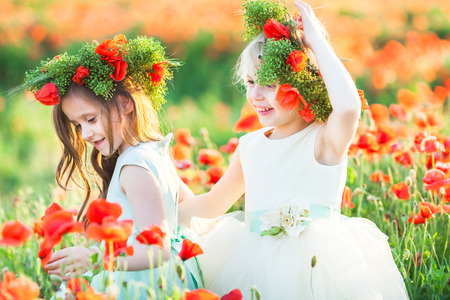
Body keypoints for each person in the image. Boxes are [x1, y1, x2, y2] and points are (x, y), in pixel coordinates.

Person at [179, 1, 409, 299]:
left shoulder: (324, 140)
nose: (256, 95)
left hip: (317, 266)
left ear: (300, 84)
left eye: (269, 84)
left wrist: (315, 41)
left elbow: (350, 106)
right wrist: (154, 212)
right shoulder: (250, 147)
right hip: (251, 264)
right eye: (250, 82)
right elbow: (211, 205)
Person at [23, 34, 202, 298]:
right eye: (78, 125)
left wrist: (95, 257)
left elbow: (158, 249)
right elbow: (186, 208)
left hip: (141, 283)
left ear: (125, 104)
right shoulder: (155, 151)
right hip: (165, 278)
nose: (84, 134)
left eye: (91, 119)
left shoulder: (133, 168)